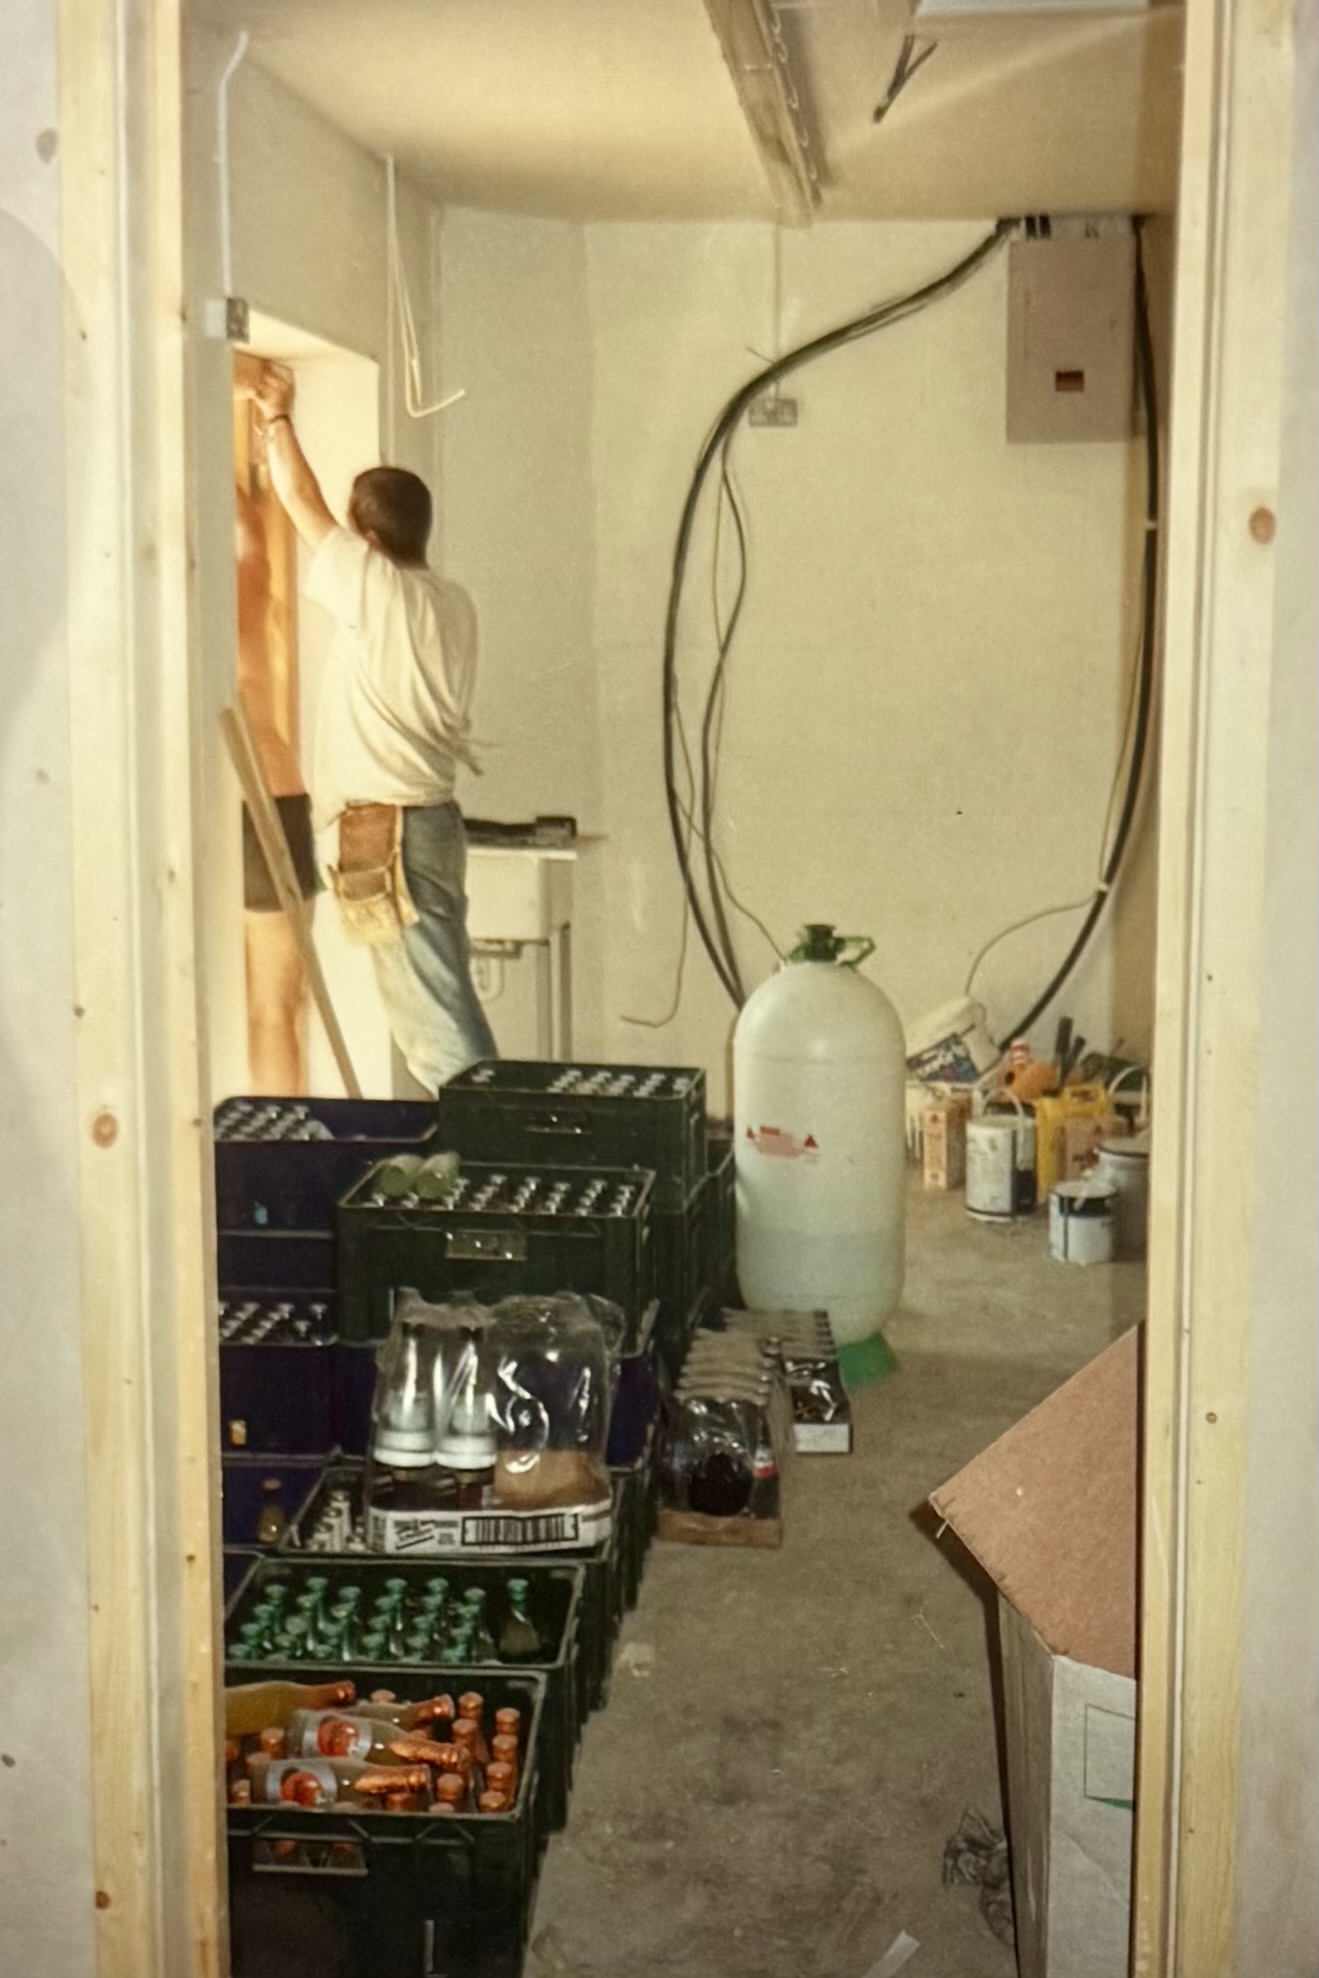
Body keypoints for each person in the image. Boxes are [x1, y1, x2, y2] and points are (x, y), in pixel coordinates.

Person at [253, 361, 497, 1092]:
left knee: (434, 1024)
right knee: (440, 999)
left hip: (392, 832)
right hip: (428, 824)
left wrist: (276, 418)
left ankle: (491, 1157)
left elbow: (298, 499)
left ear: (366, 536)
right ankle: (489, 1144)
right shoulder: (449, 601)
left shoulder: (380, 589)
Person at [235, 483, 317, 1094]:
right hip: (263, 795)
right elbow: (253, 545)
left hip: (249, 801)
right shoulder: (240, 592)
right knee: (273, 1009)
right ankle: (275, 1166)